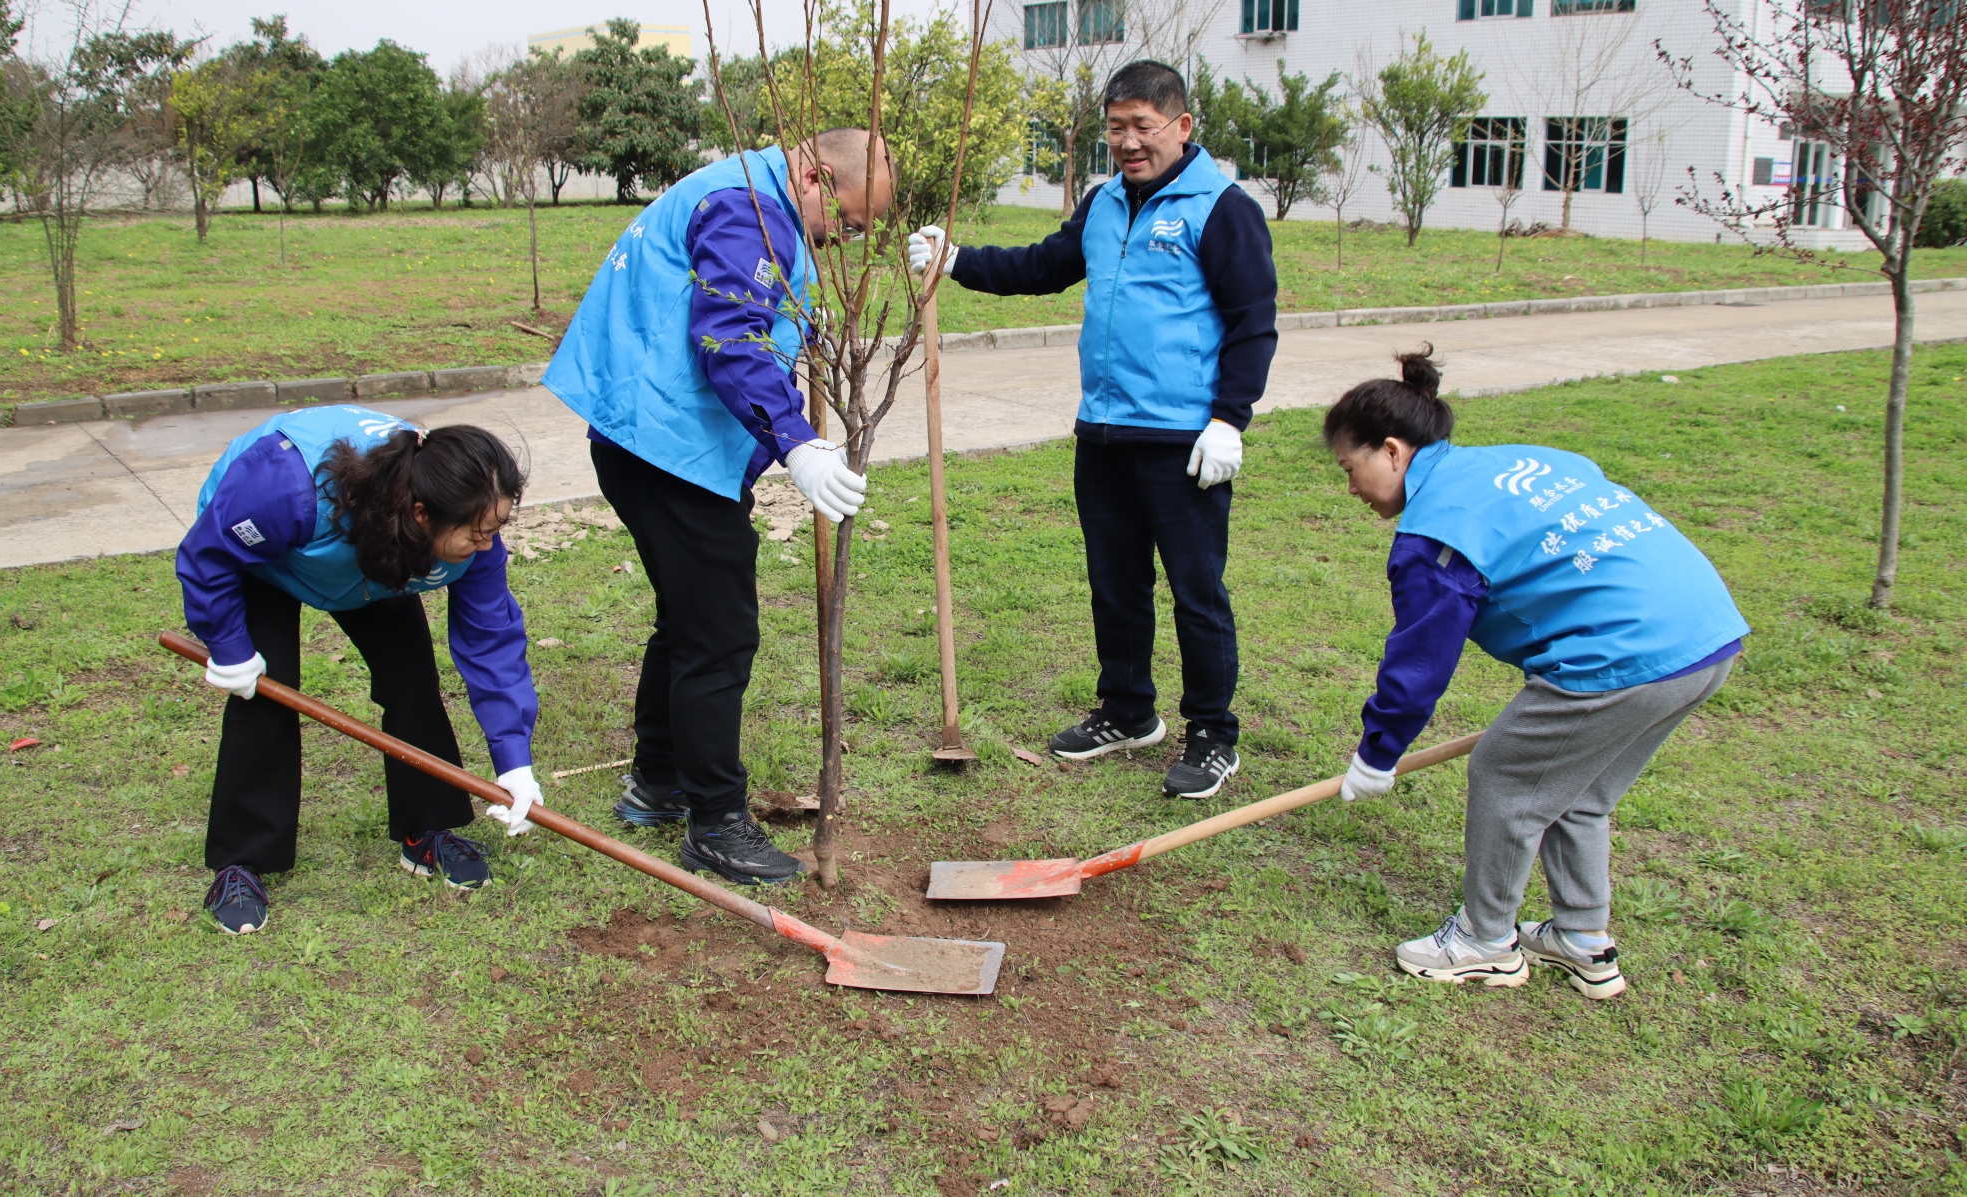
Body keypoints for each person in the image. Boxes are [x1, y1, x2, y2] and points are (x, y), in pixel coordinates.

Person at [1325, 349, 1749, 999]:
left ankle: (1486, 941)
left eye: (1350, 469)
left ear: (1391, 450)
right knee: (1578, 789)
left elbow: (1420, 661)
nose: (1352, 489)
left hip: (1623, 654)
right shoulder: (1519, 460)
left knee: (1507, 776)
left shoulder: (1436, 536)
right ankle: (1582, 939)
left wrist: (1378, 752)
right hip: (1706, 636)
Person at [907, 60, 1278, 800]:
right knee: (1115, 582)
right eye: (1116, 128)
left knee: (1196, 590)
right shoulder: (1105, 202)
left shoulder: (1222, 208)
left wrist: (1227, 421)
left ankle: (1212, 733)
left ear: (1181, 126)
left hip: (1183, 439)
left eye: (1143, 126)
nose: (1129, 142)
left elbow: (1252, 323)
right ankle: (1127, 710)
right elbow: (1044, 266)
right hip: (1104, 429)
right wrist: (958, 261)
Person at [544, 129, 890, 886]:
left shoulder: (755, 194)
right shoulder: (748, 210)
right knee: (719, 632)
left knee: (689, 616)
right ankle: (715, 822)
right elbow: (731, 335)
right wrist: (796, 441)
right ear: (815, 176)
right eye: (848, 221)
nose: (845, 239)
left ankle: (659, 779)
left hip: (653, 435)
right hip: (666, 446)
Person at [176, 407, 544, 935]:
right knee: (266, 693)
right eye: (476, 534)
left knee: (412, 681)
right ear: (422, 514)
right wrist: (231, 648)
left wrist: (513, 761)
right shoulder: (283, 488)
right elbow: (208, 554)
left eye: (495, 530)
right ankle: (242, 862)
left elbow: (492, 641)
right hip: (264, 559)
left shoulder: (468, 532)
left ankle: (425, 831)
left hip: (380, 557)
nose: (488, 546)